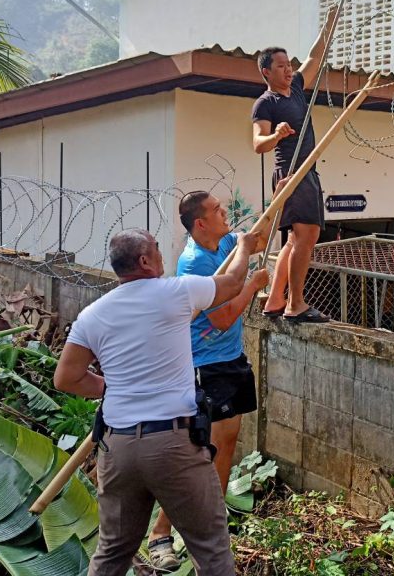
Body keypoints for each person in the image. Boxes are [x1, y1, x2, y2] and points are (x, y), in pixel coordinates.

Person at [53, 227, 266, 576]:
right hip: (173, 444)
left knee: (112, 552)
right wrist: (243, 246)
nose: (162, 253)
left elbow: (66, 378)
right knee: (211, 549)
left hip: (118, 447)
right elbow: (232, 282)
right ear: (144, 260)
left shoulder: (93, 314)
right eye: (156, 248)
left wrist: (112, 387)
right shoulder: (176, 292)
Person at [145, 191, 269, 572]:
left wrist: (284, 197)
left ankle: (212, 524)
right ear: (200, 223)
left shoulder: (223, 243)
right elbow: (223, 318)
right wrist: (253, 285)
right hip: (205, 366)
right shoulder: (194, 263)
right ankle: (160, 534)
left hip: (231, 360)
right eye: (217, 210)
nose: (224, 212)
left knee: (227, 441)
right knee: (201, 453)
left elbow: (258, 238)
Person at [252, 5, 339, 323]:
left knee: (295, 238)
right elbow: (258, 144)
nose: (288, 70)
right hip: (291, 173)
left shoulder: (298, 89)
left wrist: (328, 26)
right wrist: (275, 135)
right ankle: (296, 304)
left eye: (289, 65)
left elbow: (315, 57)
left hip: (307, 171)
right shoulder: (266, 103)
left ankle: (276, 300)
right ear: (266, 72)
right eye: (281, 66)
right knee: (307, 235)